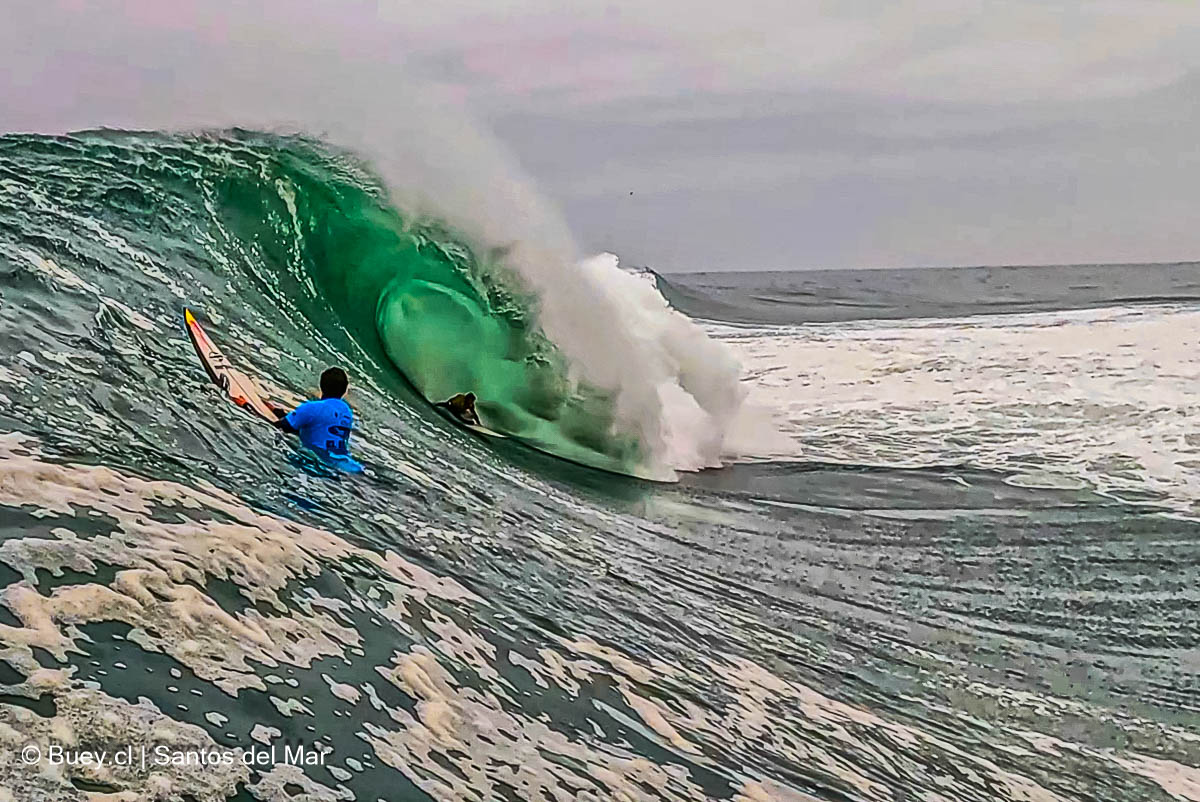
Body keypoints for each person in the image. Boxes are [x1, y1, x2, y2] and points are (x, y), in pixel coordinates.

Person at [273, 367, 356, 457]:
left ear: (321, 385)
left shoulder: (312, 407)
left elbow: (285, 426)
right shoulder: (347, 412)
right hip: (346, 462)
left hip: (318, 460)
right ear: (345, 390)